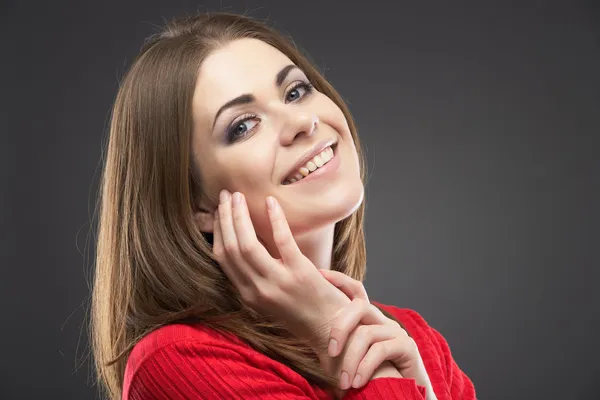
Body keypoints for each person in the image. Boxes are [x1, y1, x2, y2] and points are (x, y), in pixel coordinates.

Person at [90, 11, 477, 400]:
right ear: (197, 205)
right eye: (243, 125)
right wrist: (348, 346)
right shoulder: (176, 361)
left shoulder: (414, 338)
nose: (302, 122)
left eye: (295, 91)